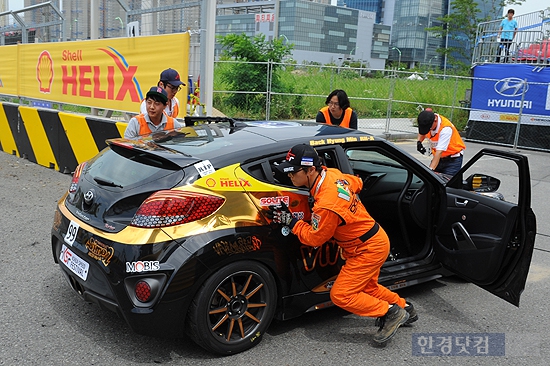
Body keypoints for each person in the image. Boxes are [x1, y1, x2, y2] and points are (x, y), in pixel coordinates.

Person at [269, 144, 417, 344]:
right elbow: (357, 182)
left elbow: (315, 238)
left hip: (367, 248)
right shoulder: (332, 174)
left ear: (311, 170)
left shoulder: (327, 203)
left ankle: (390, 312)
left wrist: (293, 222)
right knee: (368, 288)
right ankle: (405, 308)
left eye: (294, 172)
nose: (290, 176)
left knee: (341, 295)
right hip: (371, 240)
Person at [416, 110, 466, 175]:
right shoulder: (429, 123)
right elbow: (422, 132)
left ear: (435, 120)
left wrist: (430, 170)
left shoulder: (446, 129)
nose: (428, 130)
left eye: (429, 128)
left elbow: (439, 152)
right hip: (439, 159)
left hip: (452, 160)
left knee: (447, 182)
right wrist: (419, 142)